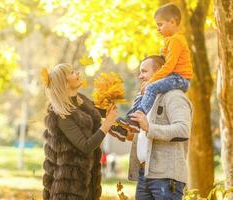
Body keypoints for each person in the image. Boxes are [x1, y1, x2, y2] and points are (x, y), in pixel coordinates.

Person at [113, 3, 193, 134]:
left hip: (180, 78)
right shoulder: (169, 41)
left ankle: (137, 119)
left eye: (160, 24)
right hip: (173, 77)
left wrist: (152, 80)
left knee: (150, 87)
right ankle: (130, 120)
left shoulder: (177, 40)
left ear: (172, 22)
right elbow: (163, 60)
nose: (158, 29)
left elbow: (169, 65)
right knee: (143, 90)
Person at [42, 63, 118, 200]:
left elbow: (102, 112)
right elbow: (86, 146)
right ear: (65, 84)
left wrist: (111, 95)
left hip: (88, 181)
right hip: (69, 186)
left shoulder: (81, 100)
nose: (77, 74)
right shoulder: (61, 114)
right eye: (71, 73)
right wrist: (107, 124)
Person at [126, 55, 193, 199]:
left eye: (144, 71)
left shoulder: (174, 96)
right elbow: (147, 134)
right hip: (144, 175)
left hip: (166, 178)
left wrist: (149, 127)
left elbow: (183, 130)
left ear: (159, 72)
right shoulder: (149, 99)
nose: (140, 76)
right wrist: (129, 134)